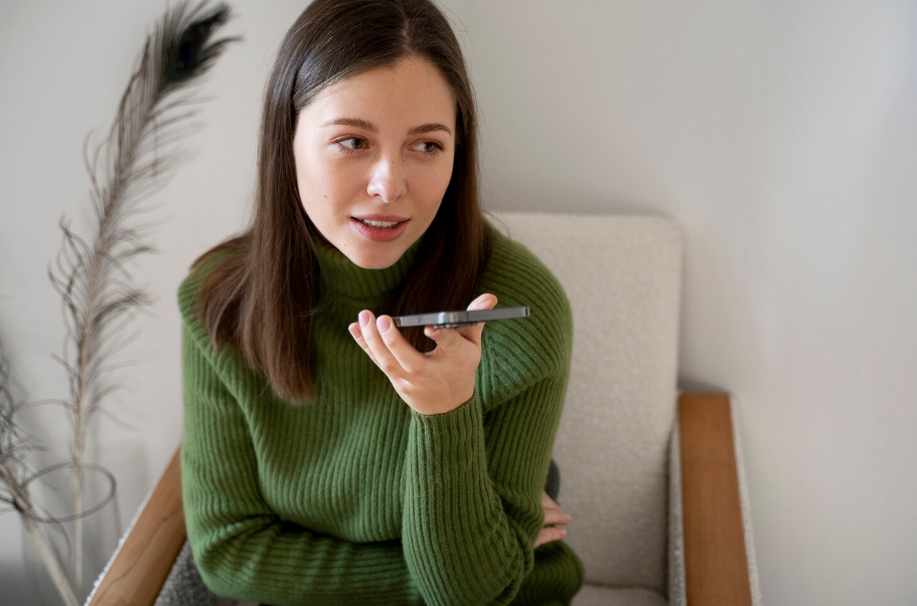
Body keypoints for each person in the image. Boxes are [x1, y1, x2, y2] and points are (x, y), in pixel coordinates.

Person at [177, 0, 585, 604]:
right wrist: (464, 566)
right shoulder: (221, 303)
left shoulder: (519, 311)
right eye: (352, 141)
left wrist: (445, 411)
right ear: (287, 139)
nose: (389, 186)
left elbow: (471, 596)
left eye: (427, 146)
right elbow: (228, 551)